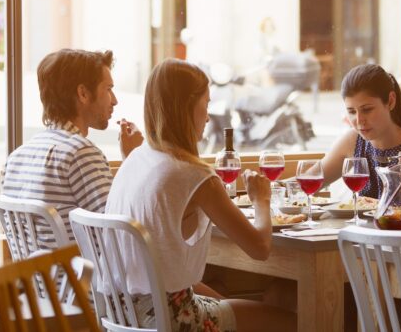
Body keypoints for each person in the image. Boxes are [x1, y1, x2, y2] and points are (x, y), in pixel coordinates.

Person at [107, 59, 295, 332]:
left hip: (123, 313)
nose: (207, 117)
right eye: (206, 104)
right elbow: (260, 248)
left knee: (234, 302)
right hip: (172, 318)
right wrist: (261, 200)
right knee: (294, 322)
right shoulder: (194, 175)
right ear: (186, 107)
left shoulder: (136, 158)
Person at [1, 49, 143, 244]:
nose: (115, 100)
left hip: (32, 274)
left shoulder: (16, 158)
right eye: (108, 89)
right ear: (83, 93)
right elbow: (120, 236)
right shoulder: (80, 153)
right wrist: (133, 159)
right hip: (81, 273)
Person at [320, 64, 401, 199]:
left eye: (367, 110)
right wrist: (285, 187)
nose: (359, 121)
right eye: (352, 112)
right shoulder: (353, 140)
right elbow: (311, 180)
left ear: (390, 101)